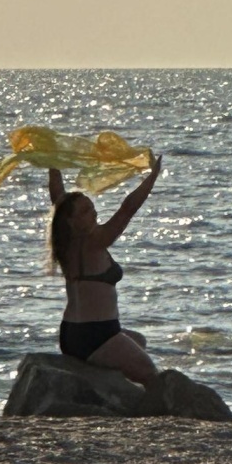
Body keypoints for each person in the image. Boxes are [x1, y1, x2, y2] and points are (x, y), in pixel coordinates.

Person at [48, 156, 163, 385]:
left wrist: (52, 161)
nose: (94, 214)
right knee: (152, 375)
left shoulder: (65, 244)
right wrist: (152, 177)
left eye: (92, 208)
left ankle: (105, 385)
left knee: (138, 340)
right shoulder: (95, 242)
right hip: (95, 335)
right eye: (85, 212)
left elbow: (58, 196)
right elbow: (127, 209)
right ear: (70, 221)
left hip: (72, 334)